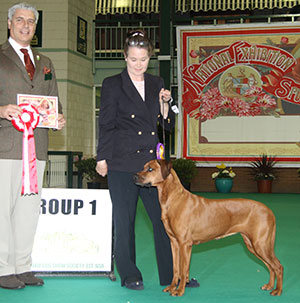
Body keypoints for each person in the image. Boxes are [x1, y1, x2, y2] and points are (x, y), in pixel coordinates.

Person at [96, 29, 199, 290]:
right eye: (133, 59)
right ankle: (129, 274)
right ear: (124, 57)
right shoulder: (111, 84)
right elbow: (106, 123)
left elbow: (165, 125)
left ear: (149, 58)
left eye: (143, 59)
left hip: (153, 168)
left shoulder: (156, 83)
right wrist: (102, 158)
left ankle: (173, 275)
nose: (138, 64)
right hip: (122, 164)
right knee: (125, 220)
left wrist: (165, 106)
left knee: (165, 221)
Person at [0, 3, 65, 289]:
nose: (26, 25)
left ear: (35, 28)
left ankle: (23, 266)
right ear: (9, 23)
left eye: (31, 22)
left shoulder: (46, 61)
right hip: (6, 147)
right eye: (20, 20)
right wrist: (2, 110)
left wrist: (58, 116)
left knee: (28, 210)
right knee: (2, 209)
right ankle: (3, 268)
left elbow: (53, 101)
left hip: (37, 147)